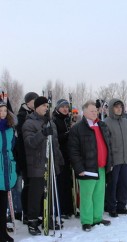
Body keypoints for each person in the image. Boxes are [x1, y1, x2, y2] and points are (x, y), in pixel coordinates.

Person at [22, 96, 64, 235]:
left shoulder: (50, 123)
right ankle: (32, 221)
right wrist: (42, 133)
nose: (46, 108)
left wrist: (59, 160)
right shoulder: (29, 123)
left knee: (51, 192)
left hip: (51, 163)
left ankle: (49, 217)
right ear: (36, 107)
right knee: (36, 194)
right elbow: (30, 143)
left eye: (47, 106)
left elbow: (55, 144)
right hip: (37, 164)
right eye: (43, 105)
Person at [69, 100, 112, 232]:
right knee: (87, 196)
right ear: (84, 112)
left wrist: (110, 163)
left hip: (101, 166)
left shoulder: (102, 125)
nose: (95, 113)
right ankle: (87, 221)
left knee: (99, 194)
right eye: (92, 111)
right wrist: (79, 168)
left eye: (96, 110)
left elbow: (108, 145)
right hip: (87, 168)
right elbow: (73, 150)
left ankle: (97, 218)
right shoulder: (77, 128)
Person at [104, 99, 127, 217]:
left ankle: (121, 205)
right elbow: (106, 143)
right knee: (113, 184)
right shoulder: (106, 122)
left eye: (120, 107)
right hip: (114, 160)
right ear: (112, 108)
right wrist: (109, 160)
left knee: (124, 183)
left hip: (126, 159)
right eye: (116, 107)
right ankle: (111, 207)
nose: (119, 109)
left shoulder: (125, 121)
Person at [14, 91, 38, 224]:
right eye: (33, 100)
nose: (35, 103)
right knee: (27, 184)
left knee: (34, 185)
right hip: (24, 156)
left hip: (35, 157)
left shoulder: (36, 114)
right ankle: (26, 213)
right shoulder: (21, 115)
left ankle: (33, 212)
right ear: (28, 101)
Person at [52, 99, 74, 218]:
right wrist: (68, 133)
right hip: (60, 155)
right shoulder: (55, 120)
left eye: (67, 107)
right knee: (61, 183)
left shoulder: (67, 119)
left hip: (69, 154)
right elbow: (56, 138)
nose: (65, 109)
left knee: (68, 183)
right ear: (58, 108)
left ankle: (68, 208)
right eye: (63, 107)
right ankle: (62, 208)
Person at [0, 101, 17, 242]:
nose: (3, 113)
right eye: (1, 111)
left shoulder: (10, 129)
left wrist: (12, 163)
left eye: (5, 110)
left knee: (3, 204)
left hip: (6, 169)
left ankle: (3, 232)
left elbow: (12, 148)